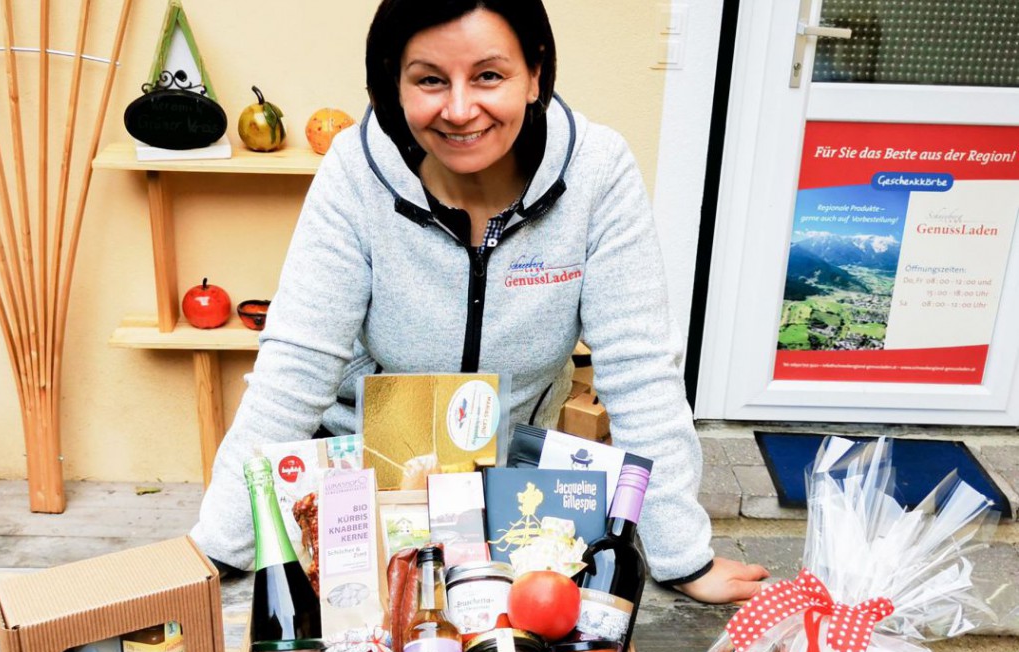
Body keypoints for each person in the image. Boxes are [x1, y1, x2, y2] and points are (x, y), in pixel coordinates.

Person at [190, 0, 768, 603]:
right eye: (430, 79)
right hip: (370, 493)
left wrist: (682, 557)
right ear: (394, 82)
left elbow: (640, 370)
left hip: (516, 497)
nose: (460, 110)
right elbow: (294, 367)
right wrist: (218, 550)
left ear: (535, 74)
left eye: (489, 75)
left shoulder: (597, 172)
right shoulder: (355, 174)